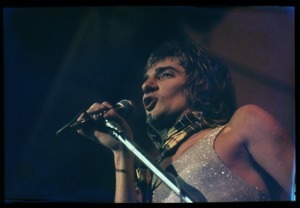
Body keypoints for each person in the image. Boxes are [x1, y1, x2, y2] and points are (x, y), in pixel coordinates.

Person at [76, 39, 295, 202]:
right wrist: (120, 150)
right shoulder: (149, 175)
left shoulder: (244, 124)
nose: (146, 85)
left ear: (201, 85)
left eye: (165, 74)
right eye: (147, 78)